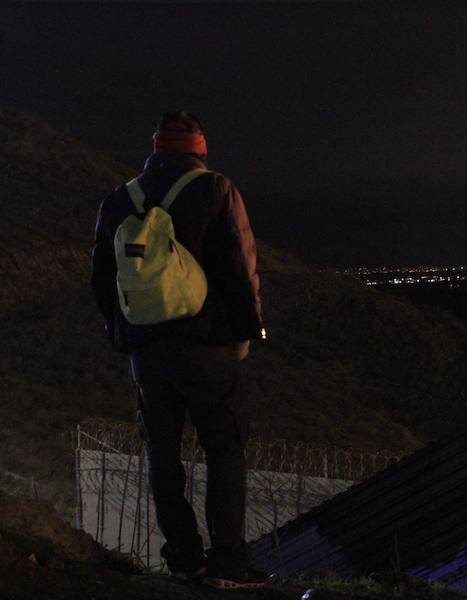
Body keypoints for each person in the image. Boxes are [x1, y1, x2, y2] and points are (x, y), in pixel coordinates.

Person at [91, 112, 266, 588]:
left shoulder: (118, 200)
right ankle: (227, 563)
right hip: (209, 346)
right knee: (223, 450)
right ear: (199, 149)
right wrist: (249, 333)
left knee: (162, 455)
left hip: (147, 353)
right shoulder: (216, 191)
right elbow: (239, 266)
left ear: (155, 150)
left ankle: (185, 558)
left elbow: (103, 281)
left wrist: (121, 334)